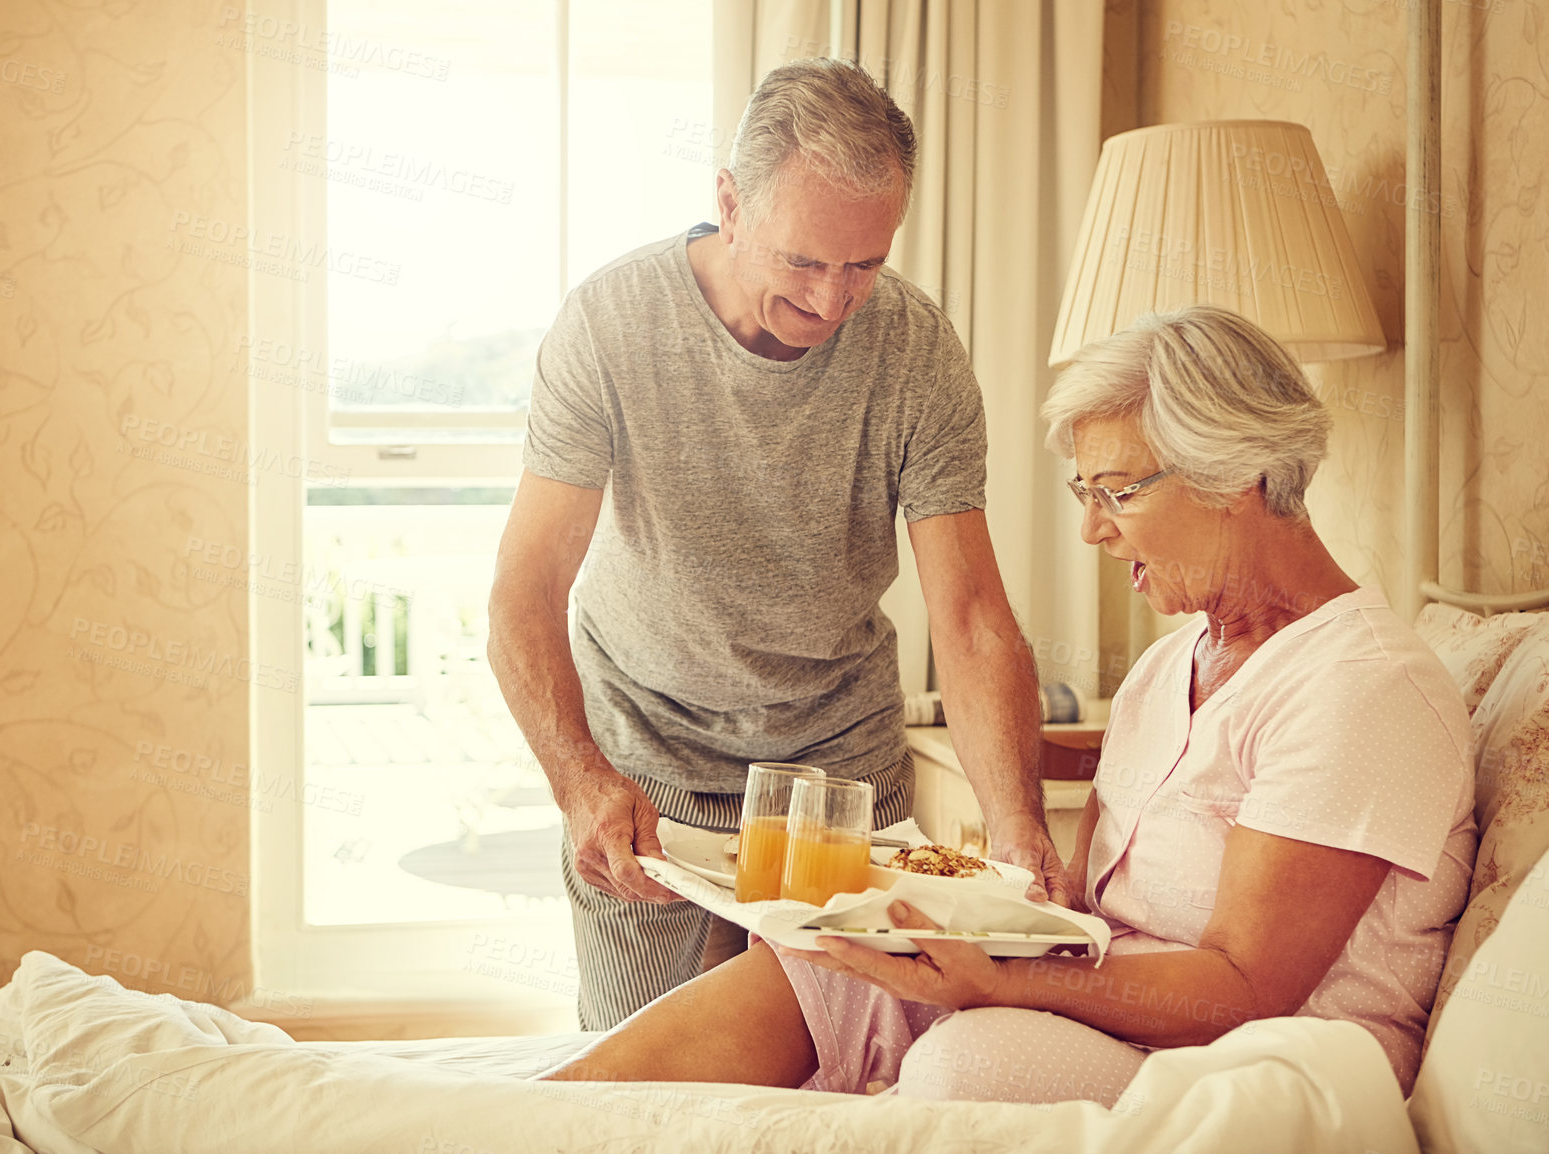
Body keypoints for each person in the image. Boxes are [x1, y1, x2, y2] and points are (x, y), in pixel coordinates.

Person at [539, 305, 1477, 1102]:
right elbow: (1092, 907)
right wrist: (984, 909)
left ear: (1237, 474)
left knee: (966, 1065)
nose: (1091, 528)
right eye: (1084, 490)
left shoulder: (1361, 690)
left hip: (1249, 1061)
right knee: (809, 968)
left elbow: (1243, 990)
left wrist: (1003, 981)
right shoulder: (1167, 667)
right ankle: (530, 1129)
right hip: (1110, 997)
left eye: (1116, 491)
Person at [487, 58, 1062, 1031]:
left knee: (846, 1079)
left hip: (839, 779)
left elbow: (969, 617)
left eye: (865, 264)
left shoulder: (916, 350)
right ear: (730, 203)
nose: (836, 301)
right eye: (805, 261)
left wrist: (1018, 826)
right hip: (648, 772)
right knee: (642, 1086)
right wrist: (581, 780)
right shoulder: (610, 323)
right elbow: (525, 592)